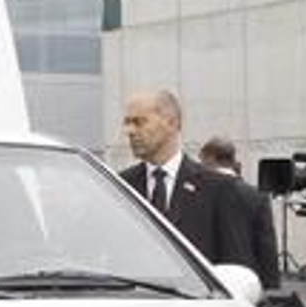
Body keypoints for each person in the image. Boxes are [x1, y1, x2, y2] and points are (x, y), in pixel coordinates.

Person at [119, 90, 255, 269]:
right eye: (127, 123)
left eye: (139, 122)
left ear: (172, 123)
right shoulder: (121, 187)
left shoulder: (218, 189)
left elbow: (237, 269)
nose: (129, 131)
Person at [200, 136, 280, 290]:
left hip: (207, 276)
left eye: (202, 159)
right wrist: (271, 285)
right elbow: (266, 243)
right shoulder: (257, 195)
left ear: (209, 158)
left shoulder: (199, 191)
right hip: (246, 278)